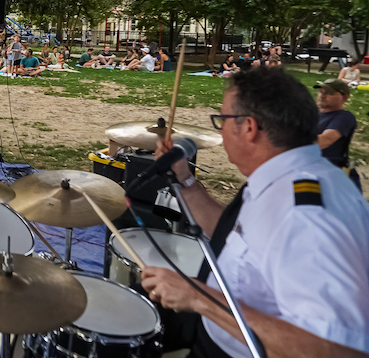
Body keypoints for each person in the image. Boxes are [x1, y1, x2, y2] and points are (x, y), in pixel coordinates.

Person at [141, 68, 369, 358]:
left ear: (248, 127)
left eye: (222, 121)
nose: (220, 130)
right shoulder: (288, 176)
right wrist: (185, 181)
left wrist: (201, 298)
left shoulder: (305, 217)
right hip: (214, 327)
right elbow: (232, 235)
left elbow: (335, 351)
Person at [315, 78, 360, 190]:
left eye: (329, 93)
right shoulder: (311, 115)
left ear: (344, 98)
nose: (322, 95)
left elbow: (326, 140)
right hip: (311, 166)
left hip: (332, 170)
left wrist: (291, 142)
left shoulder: (344, 117)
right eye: (321, 91)